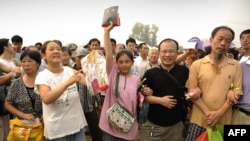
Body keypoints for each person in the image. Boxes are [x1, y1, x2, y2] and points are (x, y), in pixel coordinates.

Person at [185, 26, 242, 140]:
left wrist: (219, 114)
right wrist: (209, 114)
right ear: (211, 40)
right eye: (220, 39)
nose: (223, 43)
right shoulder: (197, 65)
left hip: (223, 120)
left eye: (227, 41)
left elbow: (237, 92)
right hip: (199, 120)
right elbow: (191, 93)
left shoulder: (235, 65)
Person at [35, 40, 87, 141]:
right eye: (51, 49)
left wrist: (97, 62)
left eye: (58, 49)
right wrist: (68, 83)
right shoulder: (42, 76)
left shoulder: (69, 71)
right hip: (57, 131)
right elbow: (46, 98)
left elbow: (92, 84)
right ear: (43, 55)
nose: (56, 51)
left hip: (77, 127)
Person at [139, 38, 189, 141]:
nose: (167, 55)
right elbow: (142, 97)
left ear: (177, 53)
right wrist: (161, 101)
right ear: (159, 53)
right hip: (153, 125)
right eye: (164, 51)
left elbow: (189, 91)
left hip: (176, 126)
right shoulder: (150, 73)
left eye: (171, 51)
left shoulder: (184, 72)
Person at [99, 22, 141, 141]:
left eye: (127, 62)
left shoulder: (137, 79)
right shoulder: (112, 73)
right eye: (120, 62)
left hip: (128, 124)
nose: (124, 65)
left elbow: (139, 100)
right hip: (110, 123)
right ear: (116, 63)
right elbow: (108, 52)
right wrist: (107, 32)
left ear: (132, 63)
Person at [5, 50, 43, 122]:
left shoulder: (44, 81)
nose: (26, 64)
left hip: (43, 124)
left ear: (38, 63)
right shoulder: (17, 83)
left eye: (30, 61)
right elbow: (8, 104)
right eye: (23, 61)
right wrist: (23, 115)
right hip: (22, 126)